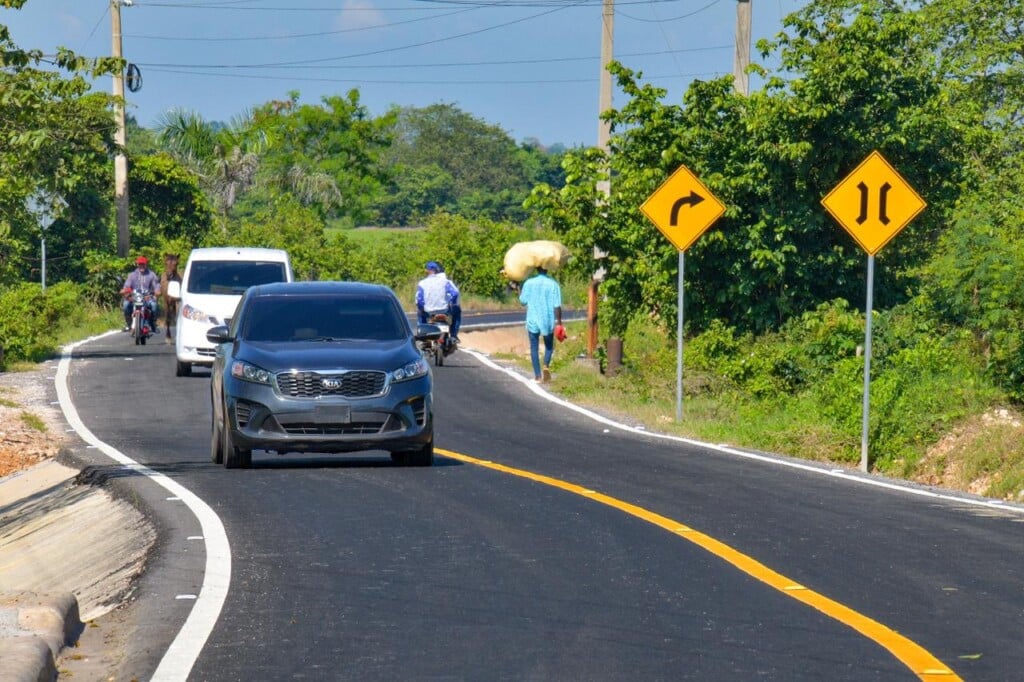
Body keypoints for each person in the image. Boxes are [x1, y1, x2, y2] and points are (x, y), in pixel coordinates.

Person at [518, 266, 562, 383]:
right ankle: (546, 365)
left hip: (532, 319)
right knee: (549, 346)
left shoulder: (529, 283)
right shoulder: (553, 284)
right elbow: (557, 305)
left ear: (537, 269)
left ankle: (537, 376)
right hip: (547, 320)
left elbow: (522, 301)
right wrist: (559, 322)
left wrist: (518, 289)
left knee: (534, 347)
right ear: (547, 269)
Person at [415, 261, 461, 341]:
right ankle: (453, 335)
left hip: (429, 312)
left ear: (428, 271)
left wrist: (422, 309)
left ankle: (422, 335)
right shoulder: (445, 281)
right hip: (444, 311)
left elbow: (419, 300)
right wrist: (452, 304)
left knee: (420, 313)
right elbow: (455, 293)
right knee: (457, 311)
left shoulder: (422, 283)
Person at [121, 256, 161, 332]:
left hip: (147, 297)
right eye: (140, 264)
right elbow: (126, 286)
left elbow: (156, 286)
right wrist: (125, 291)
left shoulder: (151, 275)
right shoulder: (132, 275)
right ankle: (129, 325)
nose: (141, 266)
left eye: (143, 264)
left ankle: (153, 324)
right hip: (134, 298)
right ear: (137, 265)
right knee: (126, 305)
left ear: (146, 265)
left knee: (154, 305)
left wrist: (157, 292)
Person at [160, 253, 182, 343]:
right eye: (168, 264)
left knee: (179, 311)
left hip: (177, 299)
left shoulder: (179, 279)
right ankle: (168, 331)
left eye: (173, 265)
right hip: (167, 299)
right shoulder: (164, 278)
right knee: (167, 311)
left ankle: (179, 332)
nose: (170, 268)